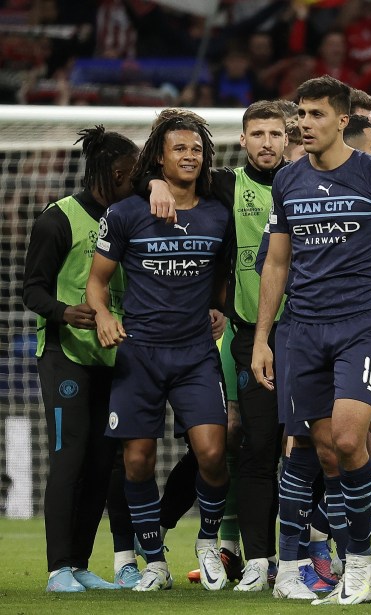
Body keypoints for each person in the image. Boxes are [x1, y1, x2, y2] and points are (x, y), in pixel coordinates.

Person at [251, 75, 371, 605]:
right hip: (302, 331)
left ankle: (357, 566)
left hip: (360, 327)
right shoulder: (287, 180)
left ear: (341, 120)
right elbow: (277, 262)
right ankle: (332, 563)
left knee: (354, 441)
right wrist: (264, 338)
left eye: (313, 115)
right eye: (300, 116)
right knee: (326, 452)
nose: (303, 124)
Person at [147, 100, 294, 592]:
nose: (267, 142)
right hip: (247, 333)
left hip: (314, 332)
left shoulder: (314, 182)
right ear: (244, 140)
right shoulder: (225, 185)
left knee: (324, 446)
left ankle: (315, 554)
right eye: (258, 134)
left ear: (289, 137)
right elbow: (163, 175)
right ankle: (247, 553)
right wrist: (154, 182)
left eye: (276, 133)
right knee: (242, 440)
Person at [86, 110, 232, 592]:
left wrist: (221, 310)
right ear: (159, 157)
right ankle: (153, 562)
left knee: (212, 452)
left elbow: (224, 276)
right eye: (179, 148)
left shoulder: (218, 210)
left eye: (197, 149)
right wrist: (105, 317)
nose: (190, 156)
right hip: (140, 354)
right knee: (137, 461)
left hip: (195, 353)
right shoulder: (126, 213)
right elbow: (96, 282)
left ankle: (208, 542)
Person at [23, 126, 139, 593]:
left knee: (101, 462)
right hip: (64, 354)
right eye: (132, 175)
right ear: (112, 173)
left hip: (113, 355)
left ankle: (80, 564)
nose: (138, 181)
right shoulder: (60, 219)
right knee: (68, 457)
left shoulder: (131, 218)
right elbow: (31, 288)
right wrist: (64, 311)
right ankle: (56, 570)